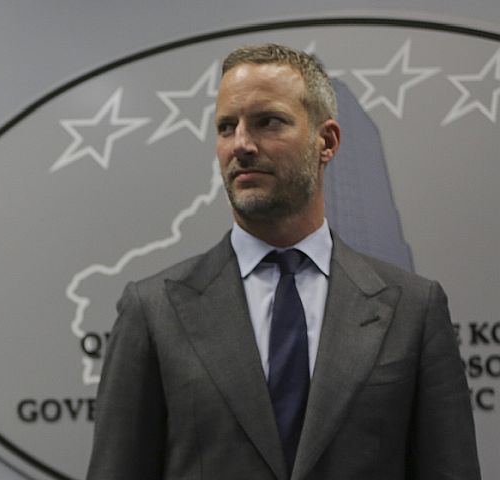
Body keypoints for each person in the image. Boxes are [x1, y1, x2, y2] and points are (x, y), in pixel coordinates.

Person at [86, 43, 480, 480]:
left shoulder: (413, 310)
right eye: (226, 127)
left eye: (267, 122)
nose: (241, 144)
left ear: (326, 141)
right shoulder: (154, 312)